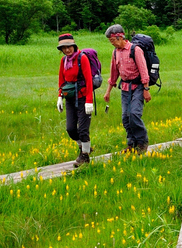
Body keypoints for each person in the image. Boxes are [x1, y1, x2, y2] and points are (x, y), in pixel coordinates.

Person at [102, 24, 152, 153]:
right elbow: (114, 74)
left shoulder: (135, 50)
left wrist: (146, 90)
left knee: (134, 114)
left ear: (120, 37)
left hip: (138, 87)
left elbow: (143, 71)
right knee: (125, 117)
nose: (112, 43)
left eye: (112, 40)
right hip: (125, 87)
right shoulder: (115, 52)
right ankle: (132, 144)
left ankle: (142, 143)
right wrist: (108, 92)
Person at [56, 33, 95, 167]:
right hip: (70, 98)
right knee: (71, 129)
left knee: (83, 130)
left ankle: (84, 156)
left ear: (74, 46)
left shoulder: (82, 58)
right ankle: (84, 147)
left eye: (69, 47)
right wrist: (60, 97)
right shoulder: (64, 61)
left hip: (83, 97)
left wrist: (89, 101)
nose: (67, 50)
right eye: (64, 48)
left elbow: (89, 81)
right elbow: (62, 80)